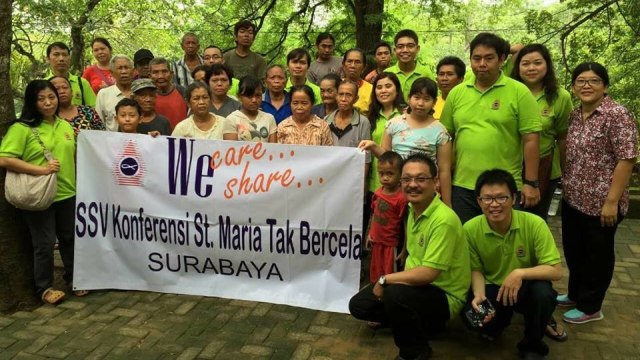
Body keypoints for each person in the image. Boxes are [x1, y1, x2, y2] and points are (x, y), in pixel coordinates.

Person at [349, 152, 470, 360]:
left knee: (393, 294)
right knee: (359, 305)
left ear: (435, 183)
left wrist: (385, 279)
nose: (412, 185)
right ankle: (412, 321)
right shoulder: (414, 209)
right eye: (407, 179)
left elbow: (429, 273)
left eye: (421, 179)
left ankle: (415, 351)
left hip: (443, 294)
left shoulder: (443, 220)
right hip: (415, 286)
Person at [559, 62, 638, 324]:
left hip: (602, 203)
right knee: (574, 250)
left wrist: (611, 202)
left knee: (597, 256)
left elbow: (626, 160)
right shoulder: (574, 114)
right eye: (581, 81)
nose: (586, 86)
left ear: (605, 85)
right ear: (573, 87)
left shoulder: (617, 115)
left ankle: (591, 306)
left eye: (593, 81)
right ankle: (575, 294)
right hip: (574, 198)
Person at [440, 32, 542, 224]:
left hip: (504, 188)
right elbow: (445, 138)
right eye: (476, 58)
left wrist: (531, 183)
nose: (482, 64)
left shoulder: (519, 92)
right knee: (465, 244)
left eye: (489, 58)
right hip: (463, 187)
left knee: (504, 244)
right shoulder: (457, 93)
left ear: (502, 59)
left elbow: (531, 139)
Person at [0, 80, 87, 304]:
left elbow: (76, 155)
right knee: (45, 243)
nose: (48, 102)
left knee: (70, 239)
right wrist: (41, 170)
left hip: (67, 192)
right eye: (41, 99)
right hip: (38, 196)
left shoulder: (65, 125)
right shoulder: (22, 128)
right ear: (32, 101)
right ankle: (44, 288)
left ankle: (74, 279)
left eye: (52, 96)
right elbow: (4, 158)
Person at [463, 169, 563, 359]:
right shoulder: (469, 229)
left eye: (502, 198)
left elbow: (556, 271)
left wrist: (519, 273)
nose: (494, 205)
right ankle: (500, 321)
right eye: (487, 199)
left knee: (543, 294)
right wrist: (479, 295)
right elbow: (475, 269)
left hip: (525, 287)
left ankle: (532, 346)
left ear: (514, 199)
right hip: (493, 288)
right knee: (473, 319)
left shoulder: (534, 223)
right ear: (479, 201)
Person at [359, 78, 452, 206]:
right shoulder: (394, 124)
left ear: (434, 102)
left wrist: (447, 204)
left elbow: (444, 170)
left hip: (424, 193)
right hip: (395, 191)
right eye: (417, 97)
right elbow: (387, 158)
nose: (420, 103)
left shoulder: (440, 131)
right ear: (409, 98)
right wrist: (374, 146)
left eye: (426, 99)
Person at [511, 44, 572, 220]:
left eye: (537, 63)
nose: (531, 68)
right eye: (525, 63)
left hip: (544, 168)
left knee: (535, 221)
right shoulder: (508, 92)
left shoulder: (560, 97)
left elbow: (563, 137)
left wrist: (566, 175)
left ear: (547, 65)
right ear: (518, 67)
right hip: (508, 166)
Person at [366, 151, 407, 283]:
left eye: (390, 174)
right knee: (376, 274)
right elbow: (374, 214)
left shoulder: (402, 198)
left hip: (391, 246)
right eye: (381, 174)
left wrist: (404, 250)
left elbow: (406, 225)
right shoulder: (378, 192)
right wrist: (369, 234)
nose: (385, 178)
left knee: (390, 277)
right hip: (376, 243)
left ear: (400, 174)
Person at [325, 79, 371, 188]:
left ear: (356, 99)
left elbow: (366, 158)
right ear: (336, 96)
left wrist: (360, 185)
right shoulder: (326, 121)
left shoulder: (363, 122)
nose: (343, 99)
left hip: (352, 180)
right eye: (341, 94)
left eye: (348, 95)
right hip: (330, 178)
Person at [223, 75, 277, 143]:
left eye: (258, 95)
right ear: (239, 96)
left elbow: (273, 149)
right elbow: (231, 150)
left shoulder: (269, 119)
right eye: (249, 96)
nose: (254, 100)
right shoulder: (232, 120)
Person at [385, 30, 433, 102]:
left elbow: (433, 100)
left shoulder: (426, 74)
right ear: (395, 50)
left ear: (417, 49)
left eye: (410, 46)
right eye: (400, 47)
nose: (405, 50)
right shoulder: (387, 73)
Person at [44, 42, 95, 107]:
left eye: (65, 55)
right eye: (56, 55)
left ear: (69, 59)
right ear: (48, 59)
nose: (61, 59)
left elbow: (93, 109)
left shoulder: (81, 83)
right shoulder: (43, 84)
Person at [95, 55, 134, 132]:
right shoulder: (103, 94)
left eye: (126, 67)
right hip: (111, 142)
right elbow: (99, 124)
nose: (124, 72)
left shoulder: (140, 94)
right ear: (112, 73)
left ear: (133, 71)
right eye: (119, 68)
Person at [149, 57, 188, 130]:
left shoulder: (183, 92)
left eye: (164, 71)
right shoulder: (146, 97)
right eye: (156, 72)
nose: (160, 76)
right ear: (150, 76)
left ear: (171, 74)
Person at [342, 48, 373, 116]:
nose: (353, 65)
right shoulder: (336, 86)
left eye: (357, 62)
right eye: (349, 61)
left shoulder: (371, 89)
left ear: (364, 67)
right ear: (343, 65)